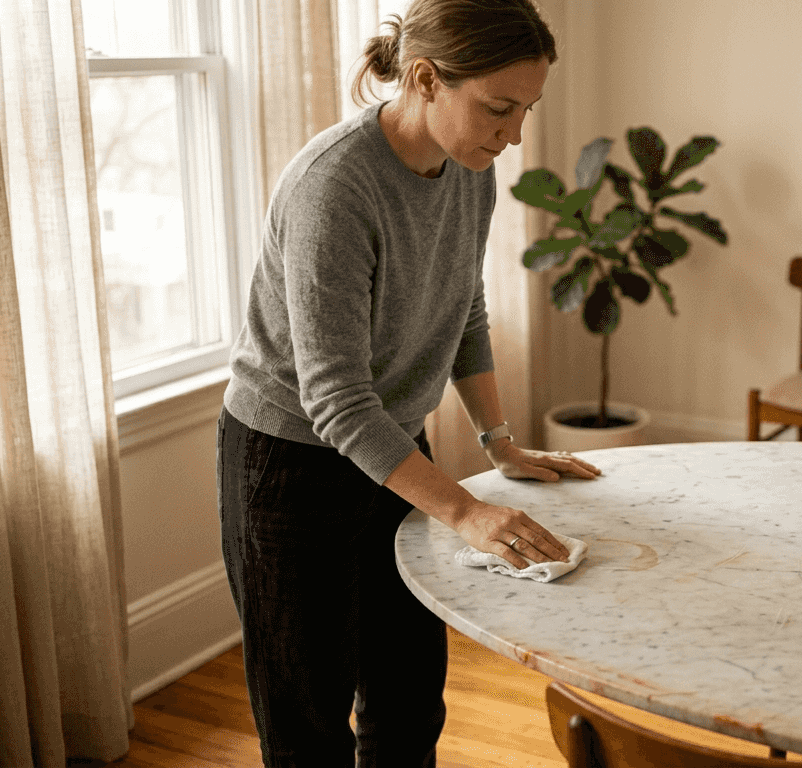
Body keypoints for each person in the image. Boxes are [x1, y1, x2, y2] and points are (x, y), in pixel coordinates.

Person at [215, 1, 597, 765]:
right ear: (425, 79)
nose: (515, 134)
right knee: (308, 724)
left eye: (526, 109)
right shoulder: (335, 187)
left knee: (409, 696)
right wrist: (465, 511)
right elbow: (335, 401)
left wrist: (499, 443)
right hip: (291, 461)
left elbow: (463, 305)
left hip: (390, 446)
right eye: (498, 108)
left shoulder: (470, 169)